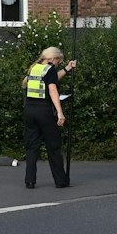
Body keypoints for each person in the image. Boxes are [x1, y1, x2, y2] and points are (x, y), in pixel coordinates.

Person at [23, 46, 75, 188]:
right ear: (54, 58)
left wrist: (67, 69)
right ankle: (60, 181)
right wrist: (60, 112)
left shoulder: (35, 68)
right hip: (44, 111)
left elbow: (51, 79)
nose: (58, 64)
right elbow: (52, 90)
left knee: (32, 146)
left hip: (29, 110)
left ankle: (30, 180)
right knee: (53, 146)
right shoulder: (50, 69)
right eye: (59, 61)